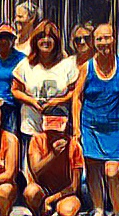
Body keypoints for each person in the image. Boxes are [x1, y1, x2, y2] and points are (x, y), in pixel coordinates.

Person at [72, 23, 119, 216]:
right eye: (99, 39)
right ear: (94, 42)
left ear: (114, 39)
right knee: (93, 169)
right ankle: (99, 210)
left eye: (107, 38)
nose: (103, 43)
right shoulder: (87, 67)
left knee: (113, 172)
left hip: (117, 127)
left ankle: (118, 212)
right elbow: (77, 97)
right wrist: (77, 128)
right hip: (90, 125)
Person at [12, 20, 79, 170]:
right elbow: (15, 90)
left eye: (50, 37)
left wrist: (57, 101)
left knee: (56, 168)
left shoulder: (67, 64)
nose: (46, 40)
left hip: (58, 128)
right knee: (33, 169)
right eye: (42, 36)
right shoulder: (25, 65)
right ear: (35, 40)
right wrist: (31, 101)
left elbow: (75, 91)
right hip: (31, 126)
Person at [23, 114, 83, 216]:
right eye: (50, 132)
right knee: (31, 192)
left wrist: (50, 200)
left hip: (64, 192)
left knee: (69, 211)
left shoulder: (74, 146)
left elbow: (74, 186)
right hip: (42, 190)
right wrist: (52, 155)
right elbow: (35, 171)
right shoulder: (37, 140)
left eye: (57, 132)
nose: (53, 136)